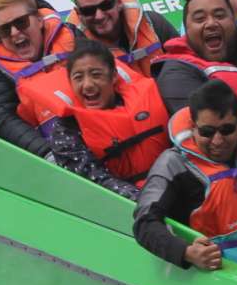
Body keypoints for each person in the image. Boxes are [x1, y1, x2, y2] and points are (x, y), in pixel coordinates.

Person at [133, 79, 237, 270]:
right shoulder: (172, 164)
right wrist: (186, 252)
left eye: (227, 129)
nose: (218, 141)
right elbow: (144, 224)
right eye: (207, 132)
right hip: (217, 278)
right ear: (193, 127)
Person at [39, 39, 170, 199]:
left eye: (96, 75)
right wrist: (148, 201)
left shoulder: (153, 95)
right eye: (78, 78)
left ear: (113, 76)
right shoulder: (65, 129)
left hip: (173, 185)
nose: (87, 85)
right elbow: (95, 181)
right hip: (126, 206)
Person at [0, 0, 78, 157]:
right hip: (51, 158)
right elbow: (1, 118)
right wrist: (48, 155)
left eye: (21, 22)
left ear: (39, 19)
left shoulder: (72, 36)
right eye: (5, 29)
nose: (15, 32)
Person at [65, 0, 178, 75]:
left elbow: (187, 62)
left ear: (118, 2)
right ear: (78, 13)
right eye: (88, 10)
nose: (99, 16)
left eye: (106, 5)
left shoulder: (154, 24)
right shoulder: (74, 53)